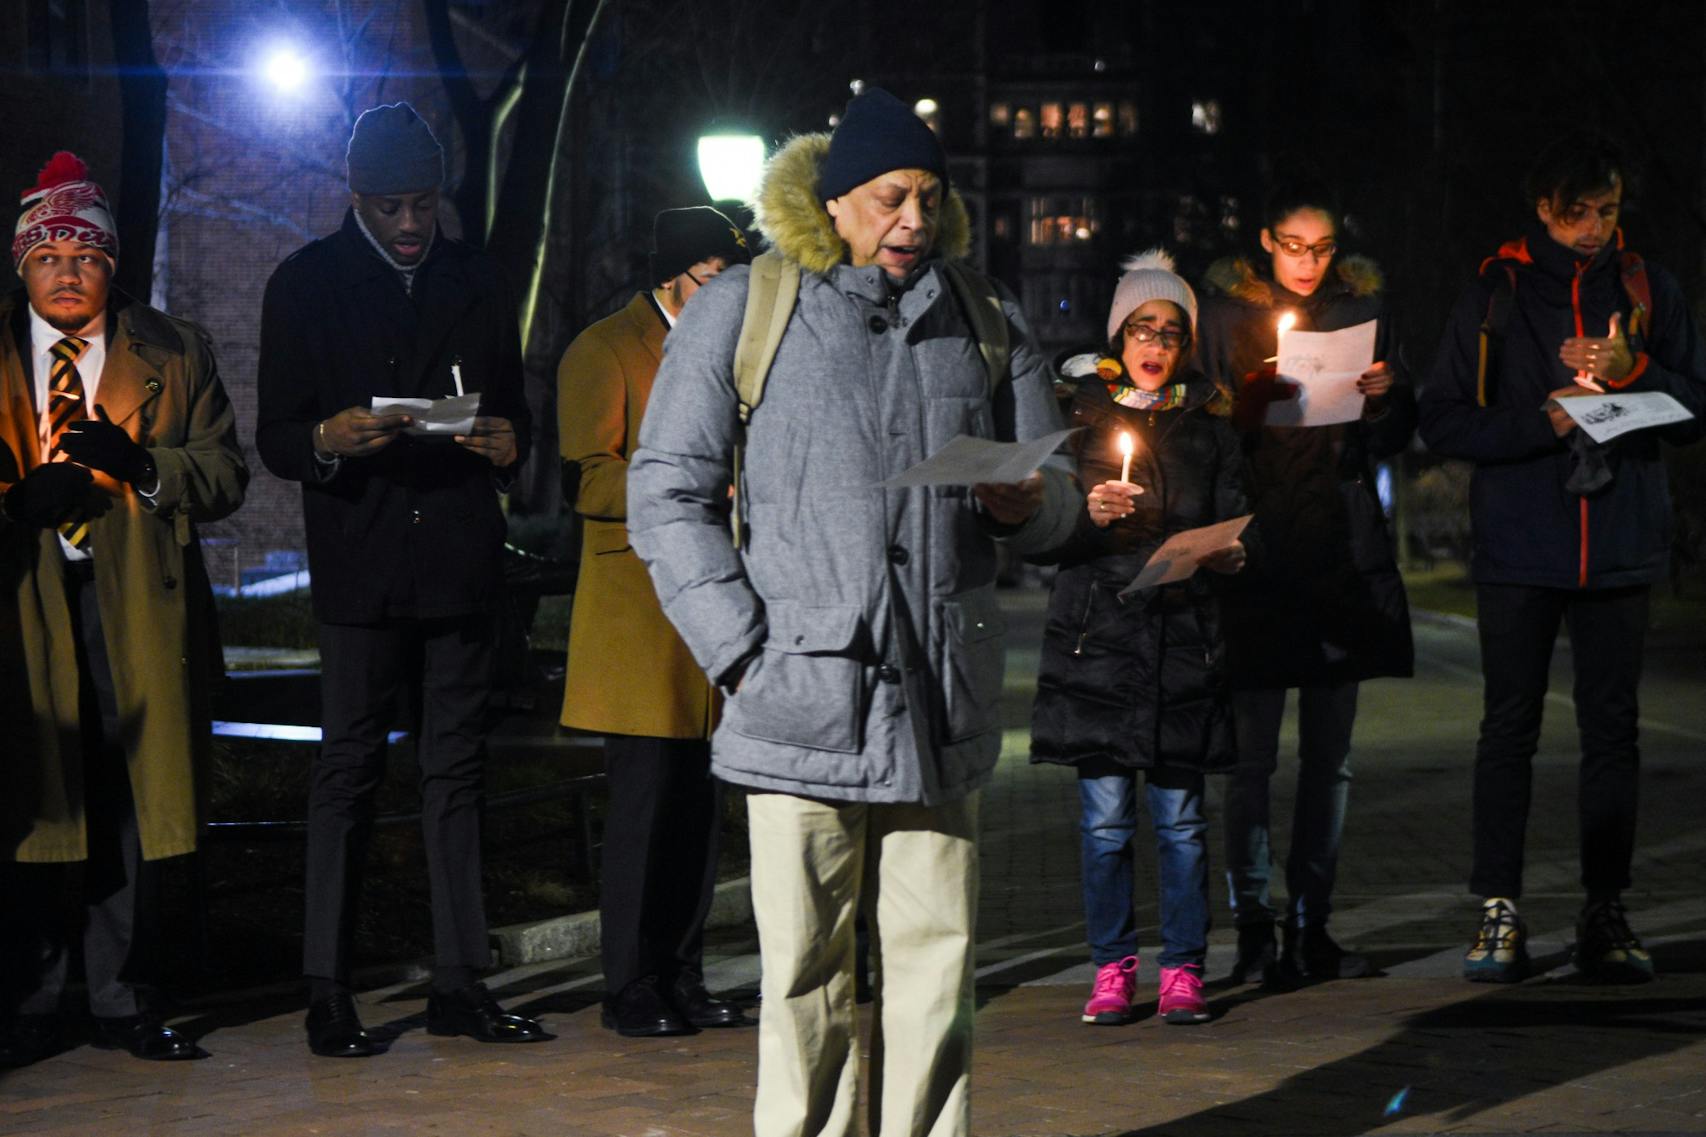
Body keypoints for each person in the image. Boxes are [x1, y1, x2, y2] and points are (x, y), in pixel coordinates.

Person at [627, 87, 1078, 1137]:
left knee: (937, 968)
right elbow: (666, 491)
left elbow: (1053, 500)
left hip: (938, 695)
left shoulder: (984, 314)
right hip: (800, 693)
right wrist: (741, 654)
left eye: (927, 197)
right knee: (801, 975)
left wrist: (1031, 506)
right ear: (832, 203)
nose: (912, 219)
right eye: (888, 199)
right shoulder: (746, 306)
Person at [256, 103, 546, 1056]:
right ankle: (328, 990)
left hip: (458, 561)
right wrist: (326, 442)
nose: (412, 224)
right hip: (360, 563)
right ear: (356, 200)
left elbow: (510, 409)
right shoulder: (303, 284)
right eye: (390, 208)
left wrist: (509, 445)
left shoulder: (475, 277)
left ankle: (463, 981)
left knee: (455, 769)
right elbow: (277, 435)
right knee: (348, 770)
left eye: (422, 204)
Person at [1418, 133, 1706, 984]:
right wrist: (1538, 421)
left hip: (1620, 544)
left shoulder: (1649, 286)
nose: (1593, 229)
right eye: (1576, 213)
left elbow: (1696, 406)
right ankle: (1498, 908)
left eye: (1607, 211)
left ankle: (1604, 909)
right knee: (1508, 728)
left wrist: (1635, 368)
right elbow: (1442, 419)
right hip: (1519, 546)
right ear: (1543, 209)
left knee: (1611, 734)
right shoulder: (1494, 294)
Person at [0, 152, 248, 1065]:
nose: (69, 273)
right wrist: (13, 499)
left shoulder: (174, 350)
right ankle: (30, 996)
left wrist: (143, 465)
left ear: (113, 265)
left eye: (88, 257)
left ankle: (123, 995)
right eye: (49, 257)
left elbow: (225, 473)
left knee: (128, 797)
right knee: (31, 788)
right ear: (22, 265)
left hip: (136, 604)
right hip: (21, 604)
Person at [1196, 180, 1415, 986]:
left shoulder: (1364, 311)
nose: (1308, 263)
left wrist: (1387, 402)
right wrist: (1242, 413)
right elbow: (1202, 434)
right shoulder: (1223, 320)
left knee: (1331, 758)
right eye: (1293, 246)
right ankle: (1254, 926)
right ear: (1266, 241)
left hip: (1337, 556)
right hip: (1261, 557)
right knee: (1251, 759)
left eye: (1321, 248)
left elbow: (1389, 437)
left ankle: (1311, 923)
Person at [1030, 251, 1250, 1028]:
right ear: (1118, 334)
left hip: (1183, 640)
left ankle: (1186, 965)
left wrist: (1229, 551)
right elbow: (1039, 531)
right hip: (1099, 642)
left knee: (1183, 823)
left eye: (1172, 331)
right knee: (1105, 821)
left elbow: (1235, 512)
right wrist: (1083, 514)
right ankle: (1113, 966)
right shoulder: (1076, 414)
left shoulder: (1209, 423)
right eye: (1142, 327)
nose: (1157, 343)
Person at [557, 206, 753, 1037]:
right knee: (641, 811)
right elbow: (589, 481)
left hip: (711, 609)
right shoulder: (603, 348)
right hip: (638, 615)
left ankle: (681, 970)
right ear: (674, 274)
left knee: (698, 815)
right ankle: (629, 982)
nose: (728, 294)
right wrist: (692, 486)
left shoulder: (733, 350)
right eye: (714, 276)